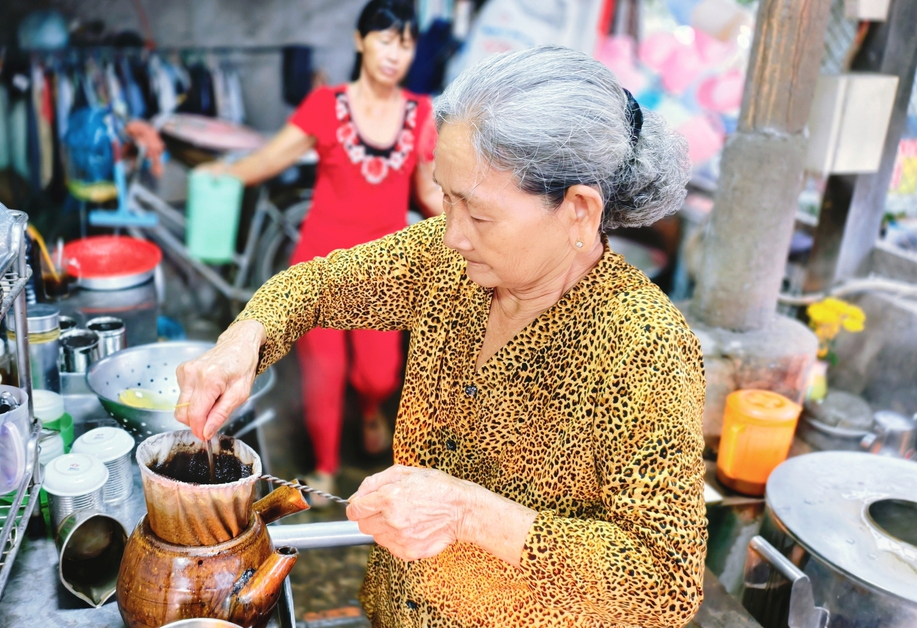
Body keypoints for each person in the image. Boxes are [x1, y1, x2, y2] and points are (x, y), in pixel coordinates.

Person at [176, 47, 707, 626]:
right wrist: (244, 340)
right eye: (443, 197)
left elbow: (664, 585)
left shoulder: (641, 345)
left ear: (578, 209)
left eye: (477, 215)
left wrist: (470, 514)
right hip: (399, 607)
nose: (451, 234)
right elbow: (320, 285)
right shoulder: (446, 261)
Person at [200, 0, 442, 499]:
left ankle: (372, 407)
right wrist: (218, 174)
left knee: (379, 375)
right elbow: (270, 159)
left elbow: (428, 193)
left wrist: (483, 218)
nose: (395, 52)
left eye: (406, 41)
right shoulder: (326, 105)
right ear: (360, 41)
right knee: (323, 373)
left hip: (388, 269)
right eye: (384, 38)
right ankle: (326, 466)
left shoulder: (422, 114)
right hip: (320, 264)